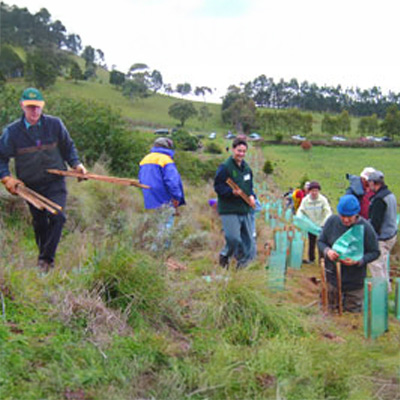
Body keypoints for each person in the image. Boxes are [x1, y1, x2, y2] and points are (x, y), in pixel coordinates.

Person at [0, 88, 86, 273]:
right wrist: (6, 178)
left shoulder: (55, 125)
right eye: (30, 107)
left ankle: (45, 260)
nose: (34, 111)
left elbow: (68, 147)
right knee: (39, 222)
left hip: (55, 181)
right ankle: (44, 261)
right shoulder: (12, 132)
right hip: (30, 186)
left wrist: (76, 164)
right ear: (22, 106)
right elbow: (1, 157)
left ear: (42, 106)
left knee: (58, 216)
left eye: (37, 107)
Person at [318, 194, 380, 313]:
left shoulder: (366, 228)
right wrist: (328, 251)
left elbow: (375, 252)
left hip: (355, 283)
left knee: (352, 315)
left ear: (356, 214)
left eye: (349, 217)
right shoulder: (332, 222)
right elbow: (321, 241)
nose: (346, 220)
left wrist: (359, 261)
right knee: (329, 312)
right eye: (343, 216)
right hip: (332, 278)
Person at [214, 138, 255, 269]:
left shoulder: (247, 168)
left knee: (248, 241)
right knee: (233, 238)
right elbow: (218, 187)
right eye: (239, 151)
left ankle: (241, 267)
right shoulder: (225, 167)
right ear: (233, 150)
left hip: (245, 208)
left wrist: (252, 196)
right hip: (229, 209)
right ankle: (225, 255)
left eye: (243, 151)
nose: (241, 154)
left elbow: (250, 187)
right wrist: (231, 192)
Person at [138, 137, 185, 242]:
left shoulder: (145, 159)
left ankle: (154, 245)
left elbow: (140, 178)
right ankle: (162, 247)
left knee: (156, 223)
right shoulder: (166, 160)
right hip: (164, 196)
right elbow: (172, 181)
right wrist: (177, 197)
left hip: (149, 196)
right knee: (166, 223)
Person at [367, 170, 397, 291]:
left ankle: (380, 292)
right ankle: (387, 289)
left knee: (375, 264)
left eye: (369, 183)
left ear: (374, 183)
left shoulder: (379, 199)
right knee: (383, 264)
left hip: (382, 238)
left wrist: (369, 237)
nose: (369, 186)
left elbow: (375, 223)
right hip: (391, 235)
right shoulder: (390, 195)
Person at [296, 181, 332, 264]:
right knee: (311, 242)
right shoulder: (305, 200)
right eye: (312, 191)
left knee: (321, 242)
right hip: (311, 225)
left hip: (322, 224)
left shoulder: (323, 200)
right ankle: (311, 259)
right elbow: (301, 211)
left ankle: (322, 260)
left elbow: (328, 212)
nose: (314, 193)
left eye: (316, 191)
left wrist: (324, 223)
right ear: (309, 191)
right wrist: (300, 218)